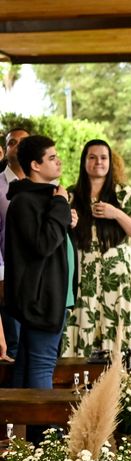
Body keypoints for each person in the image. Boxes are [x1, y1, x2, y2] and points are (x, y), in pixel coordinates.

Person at [4, 135, 77, 440]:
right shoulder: (25, 201)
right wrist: (60, 206)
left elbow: (51, 237)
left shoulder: (40, 198)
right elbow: (42, 244)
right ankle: (44, 439)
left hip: (54, 295)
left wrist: (64, 215)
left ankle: (21, 435)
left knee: (28, 364)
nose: (58, 161)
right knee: (42, 365)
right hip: (42, 299)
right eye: (51, 158)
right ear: (34, 165)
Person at [61, 140, 131, 358]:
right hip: (83, 277)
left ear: (110, 162)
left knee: (119, 333)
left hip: (118, 278)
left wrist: (116, 213)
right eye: (92, 157)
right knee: (84, 325)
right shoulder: (70, 196)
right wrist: (68, 223)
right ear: (84, 162)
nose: (98, 162)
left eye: (103, 157)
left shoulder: (123, 193)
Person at [0, 127, 30, 360]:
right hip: (7, 278)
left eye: (23, 142)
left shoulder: (48, 185)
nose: (17, 146)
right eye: (12, 143)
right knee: (14, 349)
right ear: (5, 150)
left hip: (39, 281)